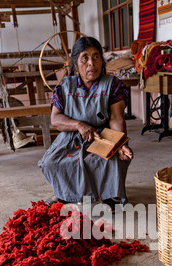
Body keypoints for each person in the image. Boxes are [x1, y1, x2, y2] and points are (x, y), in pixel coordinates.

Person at [38, 36, 134, 210]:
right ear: (75, 63)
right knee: (52, 162)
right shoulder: (64, 87)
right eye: (85, 57)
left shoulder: (113, 85)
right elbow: (56, 119)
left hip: (101, 135)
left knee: (110, 160)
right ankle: (64, 194)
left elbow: (116, 118)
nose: (92, 63)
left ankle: (107, 196)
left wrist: (121, 143)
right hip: (71, 136)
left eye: (96, 56)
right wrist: (78, 125)